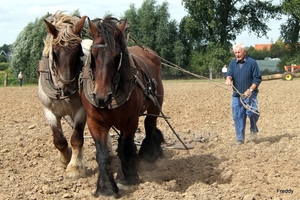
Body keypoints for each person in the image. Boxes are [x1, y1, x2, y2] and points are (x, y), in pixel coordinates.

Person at [225, 43, 262, 145]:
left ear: (244, 51)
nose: (237, 54)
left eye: (239, 52)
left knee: (253, 112)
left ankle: (253, 128)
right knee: (238, 116)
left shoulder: (252, 63)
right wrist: (228, 79)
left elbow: (257, 79)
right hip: (237, 96)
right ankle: (240, 139)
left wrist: (250, 90)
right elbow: (229, 74)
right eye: (235, 53)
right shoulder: (232, 63)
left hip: (250, 94)